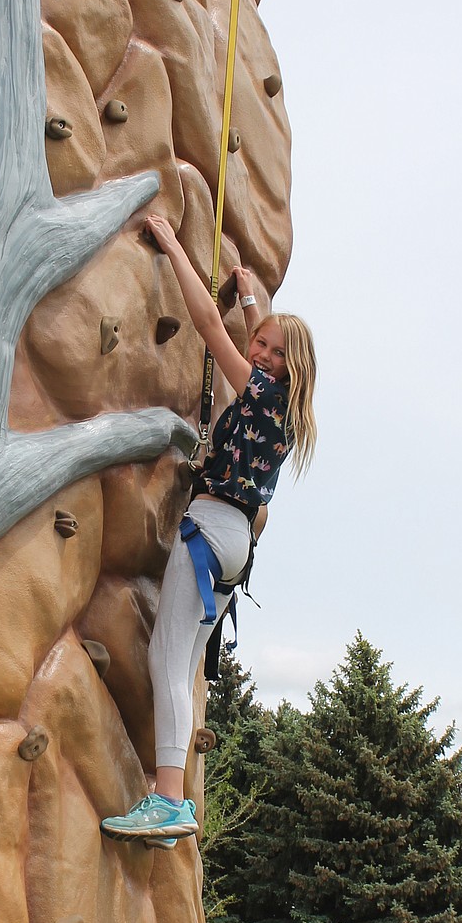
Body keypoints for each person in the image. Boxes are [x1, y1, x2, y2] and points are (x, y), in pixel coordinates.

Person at [100, 213, 317, 844]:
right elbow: (257, 336)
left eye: (274, 352)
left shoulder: (256, 392)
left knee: (168, 658)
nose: (262, 351)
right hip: (234, 545)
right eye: (263, 343)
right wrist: (249, 294)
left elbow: (206, 324)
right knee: (185, 659)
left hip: (209, 527)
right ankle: (173, 808)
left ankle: (169, 800)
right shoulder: (283, 405)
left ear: (286, 367)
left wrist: (172, 244)